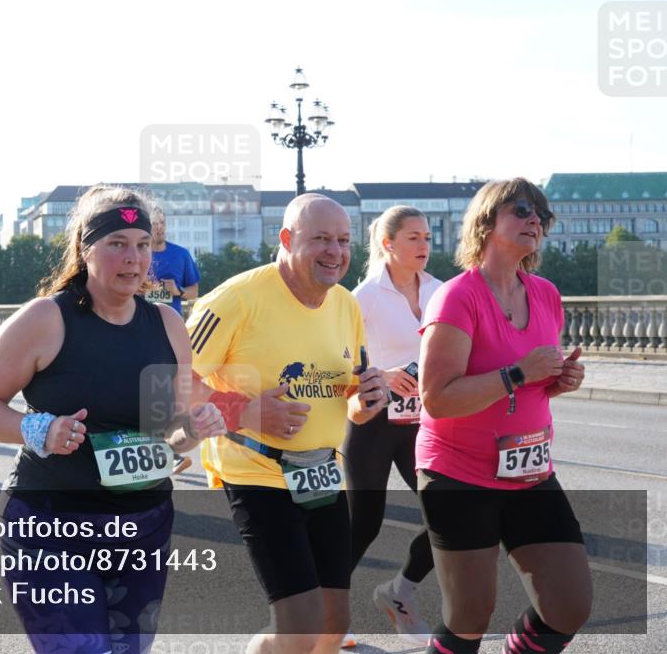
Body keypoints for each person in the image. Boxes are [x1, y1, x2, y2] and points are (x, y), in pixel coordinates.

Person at [0, 185, 225, 653]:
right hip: (50, 526)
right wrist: (38, 429)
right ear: (85, 248)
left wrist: (192, 431)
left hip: (143, 526)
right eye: (116, 243)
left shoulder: (167, 324)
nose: (133, 258)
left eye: (142, 245)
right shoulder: (46, 319)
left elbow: (168, 438)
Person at [187, 193, 390, 654]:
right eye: (319, 239)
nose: (334, 251)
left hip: (321, 473)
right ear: (286, 239)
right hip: (256, 472)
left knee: (333, 627)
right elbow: (168, 381)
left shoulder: (345, 304)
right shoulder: (236, 299)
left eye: (342, 240)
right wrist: (247, 410)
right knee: (299, 625)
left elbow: (350, 400)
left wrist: (366, 400)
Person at [417, 178, 590, 654]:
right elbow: (437, 398)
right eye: (521, 210)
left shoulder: (547, 295)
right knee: (469, 617)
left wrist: (557, 380)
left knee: (569, 605)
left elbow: (534, 382)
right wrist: (517, 373)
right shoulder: (457, 297)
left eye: (541, 214)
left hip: (530, 471)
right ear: (488, 220)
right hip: (459, 473)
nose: (535, 219)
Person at [345, 206, 442, 646]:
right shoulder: (363, 296)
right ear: (388, 244)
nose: (424, 245)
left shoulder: (441, 291)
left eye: (426, 237)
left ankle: (399, 594)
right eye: (413, 238)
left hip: (424, 421)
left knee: (449, 514)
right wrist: (381, 375)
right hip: (373, 422)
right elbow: (337, 360)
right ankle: (327, 607)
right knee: (364, 523)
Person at [146, 203, 201, 474]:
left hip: (173, 331)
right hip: (142, 328)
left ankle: (168, 450)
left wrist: (176, 289)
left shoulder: (181, 254)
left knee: (171, 393)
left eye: (163, 223)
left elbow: (194, 291)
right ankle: (157, 451)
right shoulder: (138, 254)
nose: (160, 228)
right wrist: (148, 289)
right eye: (155, 223)